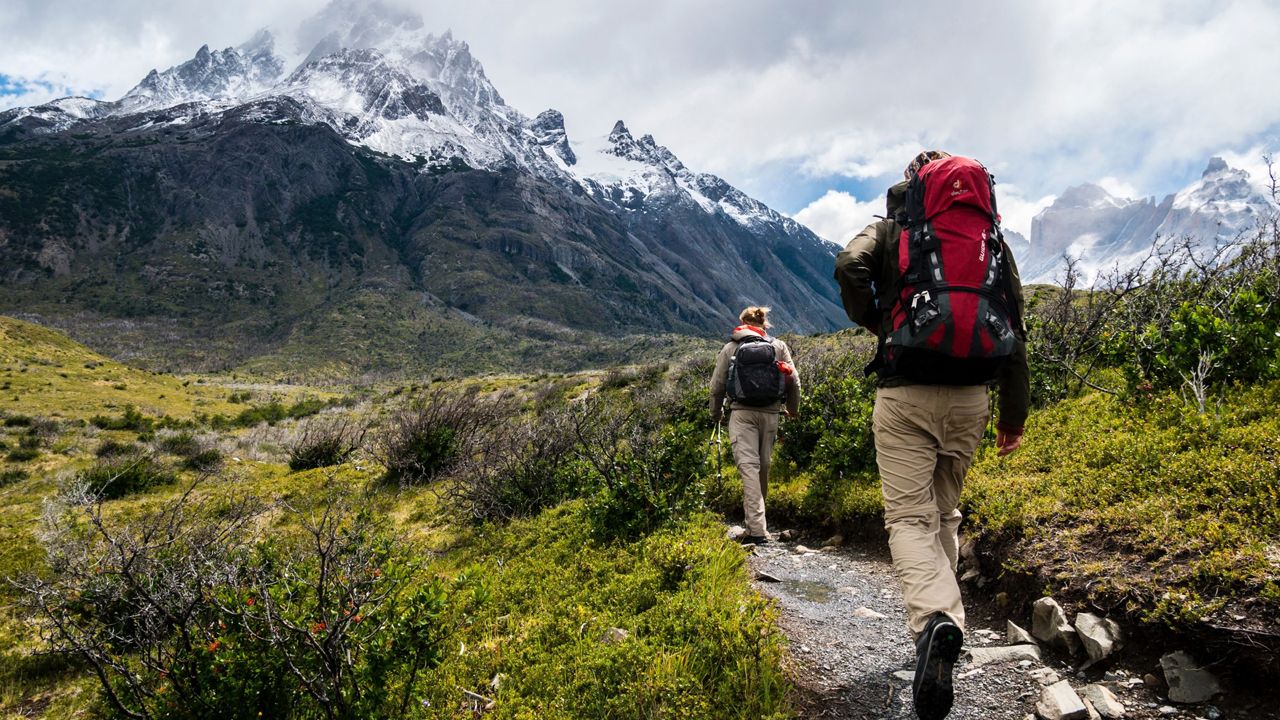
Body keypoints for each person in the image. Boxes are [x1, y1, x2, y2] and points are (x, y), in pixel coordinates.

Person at [834, 151, 1029, 720]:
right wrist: (1013, 416)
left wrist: (874, 319)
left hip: (906, 393)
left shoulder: (894, 228)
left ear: (914, 184)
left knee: (908, 519)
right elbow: (1014, 324)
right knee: (944, 514)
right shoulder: (991, 240)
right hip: (972, 398)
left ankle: (935, 623)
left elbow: (849, 266)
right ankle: (949, 626)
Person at [708, 306, 801, 545]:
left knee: (748, 467)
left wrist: (716, 413)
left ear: (742, 323)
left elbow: (717, 386)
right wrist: (792, 409)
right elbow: (794, 380)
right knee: (763, 467)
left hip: (742, 414)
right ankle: (758, 524)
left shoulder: (731, 348)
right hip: (771, 414)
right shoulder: (778, 346)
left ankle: (757, 529)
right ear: (764, 324)